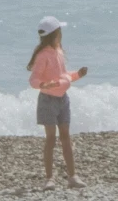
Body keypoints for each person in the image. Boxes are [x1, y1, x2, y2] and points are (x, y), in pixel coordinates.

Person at [27, 18, 88, 188]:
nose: (61, 34)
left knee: (66, 137)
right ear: (55, 34)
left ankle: (72, 176)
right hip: (48, 101)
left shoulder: (58, 52)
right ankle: (49, 179)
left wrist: (77, 75)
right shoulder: (43, 56)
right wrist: (44, 85)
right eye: (60, 31)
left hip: (63, 99)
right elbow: (33, 80)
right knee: (51, 139)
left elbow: (63, 76)